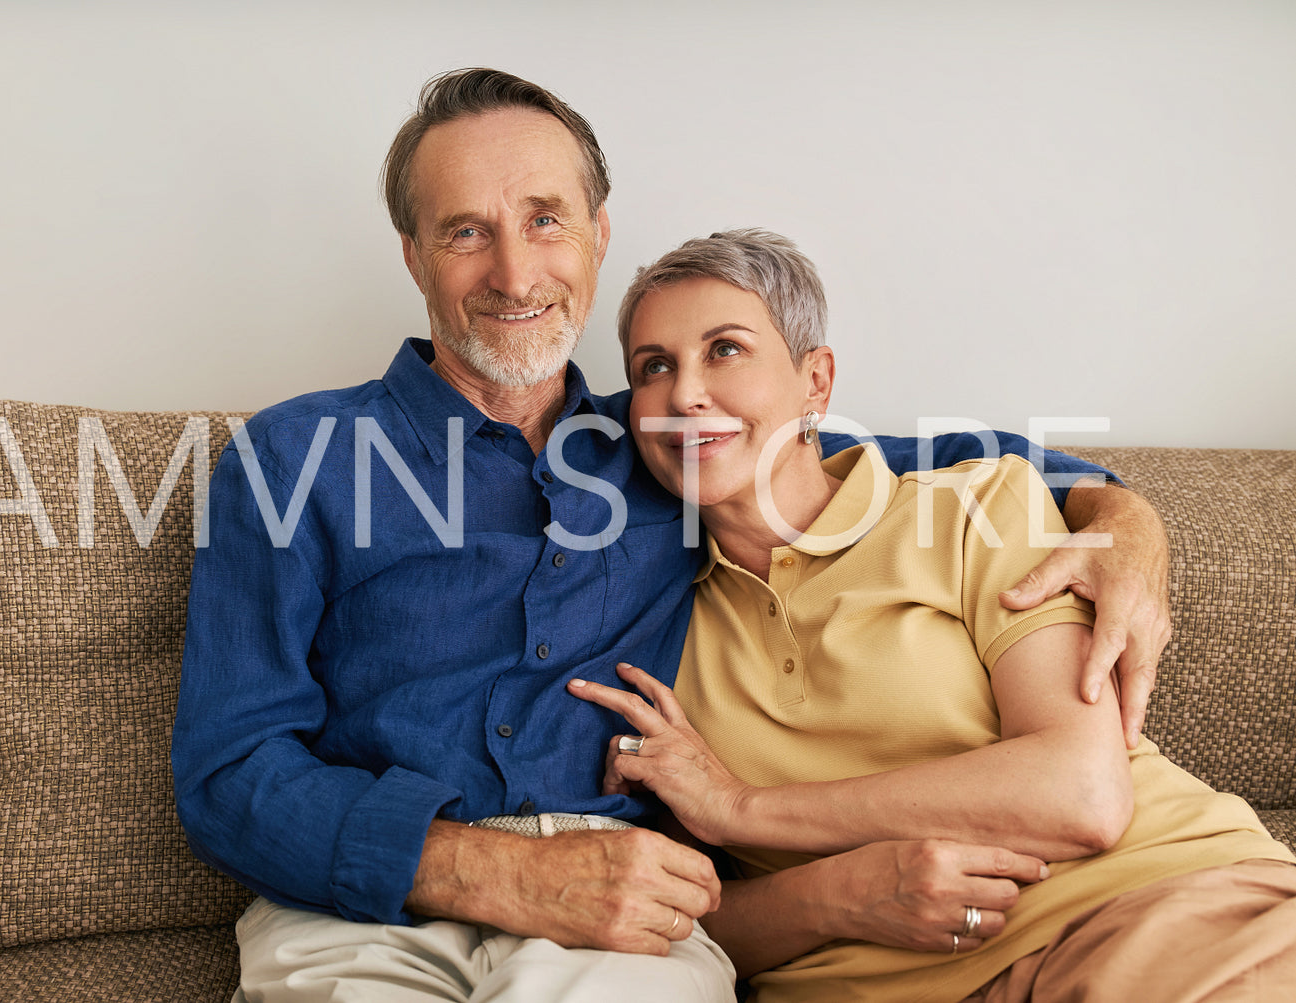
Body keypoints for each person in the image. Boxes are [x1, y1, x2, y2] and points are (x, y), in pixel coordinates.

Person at [172, 69, 1172, 1001]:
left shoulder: (673, 438)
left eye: (544, 220)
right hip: (363, 902)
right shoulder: (292, 455)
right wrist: (500, 873)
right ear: (413, 255)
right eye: (465, 231)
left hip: (624, 904)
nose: (513, 270)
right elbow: (227, 771)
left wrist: (1121, 520)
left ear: (597, 236)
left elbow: (964, 459)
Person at [570, 228, 1296, 1001]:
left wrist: (743, 809)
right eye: (654, 367)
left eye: (725, 350)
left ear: (814, 381)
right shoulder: (644, 620)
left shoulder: (973, 507)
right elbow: (687, 925)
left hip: (1155, 908)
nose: (684, 393)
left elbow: (1081, 793)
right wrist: (843, 890)